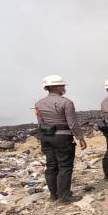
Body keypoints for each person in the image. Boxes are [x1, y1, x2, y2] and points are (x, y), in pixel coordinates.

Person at [35, 75, 87, 204]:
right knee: (64, 166)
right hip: (62, 137)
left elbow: (40, 122)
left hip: (46, 137)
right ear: (58, 87)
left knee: (51, 165)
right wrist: (80, 138)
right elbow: (72, 124)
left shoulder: (39, 103)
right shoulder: (66, 102)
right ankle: (64, 197)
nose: (63, 88)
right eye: (63, 86)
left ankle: (54, 195)